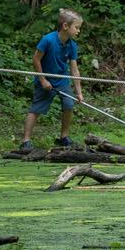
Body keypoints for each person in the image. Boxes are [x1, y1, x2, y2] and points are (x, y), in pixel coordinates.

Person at [22, 8, 85, 150]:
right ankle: (25, 141)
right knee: (36, 109)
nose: (78, 31)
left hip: (62, 81)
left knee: (69, 105)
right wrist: (43, 80)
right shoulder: (48, 40)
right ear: (65, 26)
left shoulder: (72, 45)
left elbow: (74, 70)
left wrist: (79, 92)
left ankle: (64, 137)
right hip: (45, 79)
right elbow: (36, 60)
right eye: (77, 27)